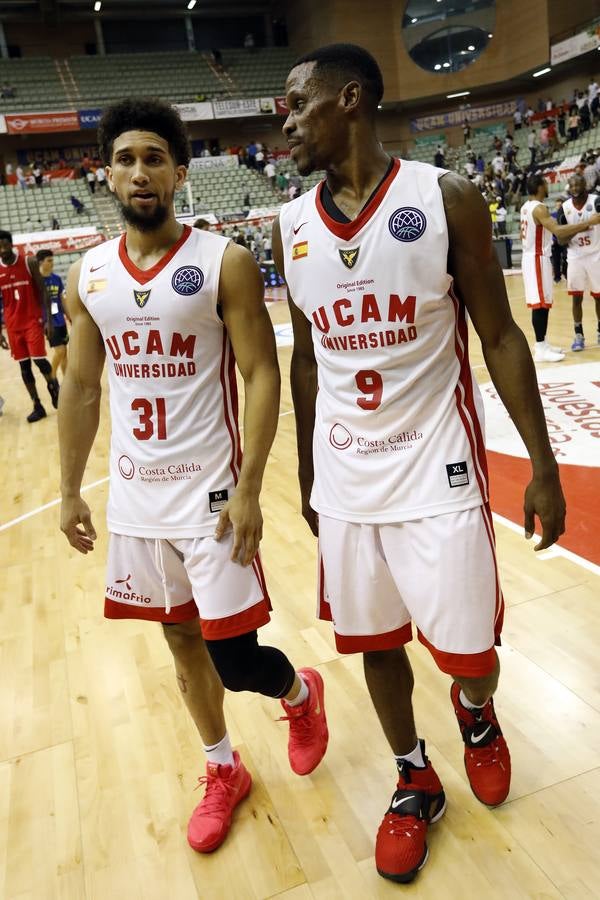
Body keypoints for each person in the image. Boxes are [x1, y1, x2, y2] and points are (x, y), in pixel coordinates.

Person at [272, 43, 566, 885]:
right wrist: (308, 473)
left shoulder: (445, 198)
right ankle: (413, 777)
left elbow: (500, 336)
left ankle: (476, 714)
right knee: (375, 641)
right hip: (347, 473)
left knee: (471, 656)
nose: (285, 124)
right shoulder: (291, 227)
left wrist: (542, 465)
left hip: (438, 464)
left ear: (349, 100)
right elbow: (306, 361)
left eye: (297, 104)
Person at [57, 98, 328, 855]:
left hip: (211, 499)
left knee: (235, 660)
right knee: (179, 642)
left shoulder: (222, 262)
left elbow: (261, 373)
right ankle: (222, 768)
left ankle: (300, 693)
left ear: (179, 172)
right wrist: (70, 489)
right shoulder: (89, 275)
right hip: (137, 500)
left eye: (154, 158)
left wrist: (250, 487)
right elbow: (82, 388)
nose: (139, 172)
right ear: (107, 174)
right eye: (125, 159)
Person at [519, 174, 600, 362]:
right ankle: (540, 348)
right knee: (540, 305)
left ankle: (543, 343)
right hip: (537, 258)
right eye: (545, 184)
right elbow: (558, 232)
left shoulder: (525, 206)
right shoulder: (540, 208)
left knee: (544, 303)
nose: (548, 186)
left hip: (534, 257)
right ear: (540, 186)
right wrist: (588, 222)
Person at [0, 230, 59, 421]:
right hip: (12, 326)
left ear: (11, 244)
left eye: (5, 245)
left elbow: (43, 291)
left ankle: (54, 388)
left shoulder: (28, 262)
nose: (2, 250)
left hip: (32, 321)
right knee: (24, 367)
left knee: (40, 361)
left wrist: (48, 320)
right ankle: (37, 405)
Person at [558, 173, 600, 350]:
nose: (575, 188)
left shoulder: (596, 201)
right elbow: (561, 239)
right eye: (572, 185)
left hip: (596, 254)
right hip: (575, 256)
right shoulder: (565, 208)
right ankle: (578, 334)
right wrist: (583, 226)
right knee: (577, 298)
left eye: (578, 184)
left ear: (585, 185)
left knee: (599, 297)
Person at [36, 248, 70, 377]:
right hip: (49, 322)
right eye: (49, 260)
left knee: (64, 352)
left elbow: (62, 299)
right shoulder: (36, 281)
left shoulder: (57, 279)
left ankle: (66, 381)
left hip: (60, 320)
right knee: (60, 351)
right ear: (40, 262)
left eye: (52, 260)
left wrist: (69, 316)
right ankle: (52, 378)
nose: (52, 263)